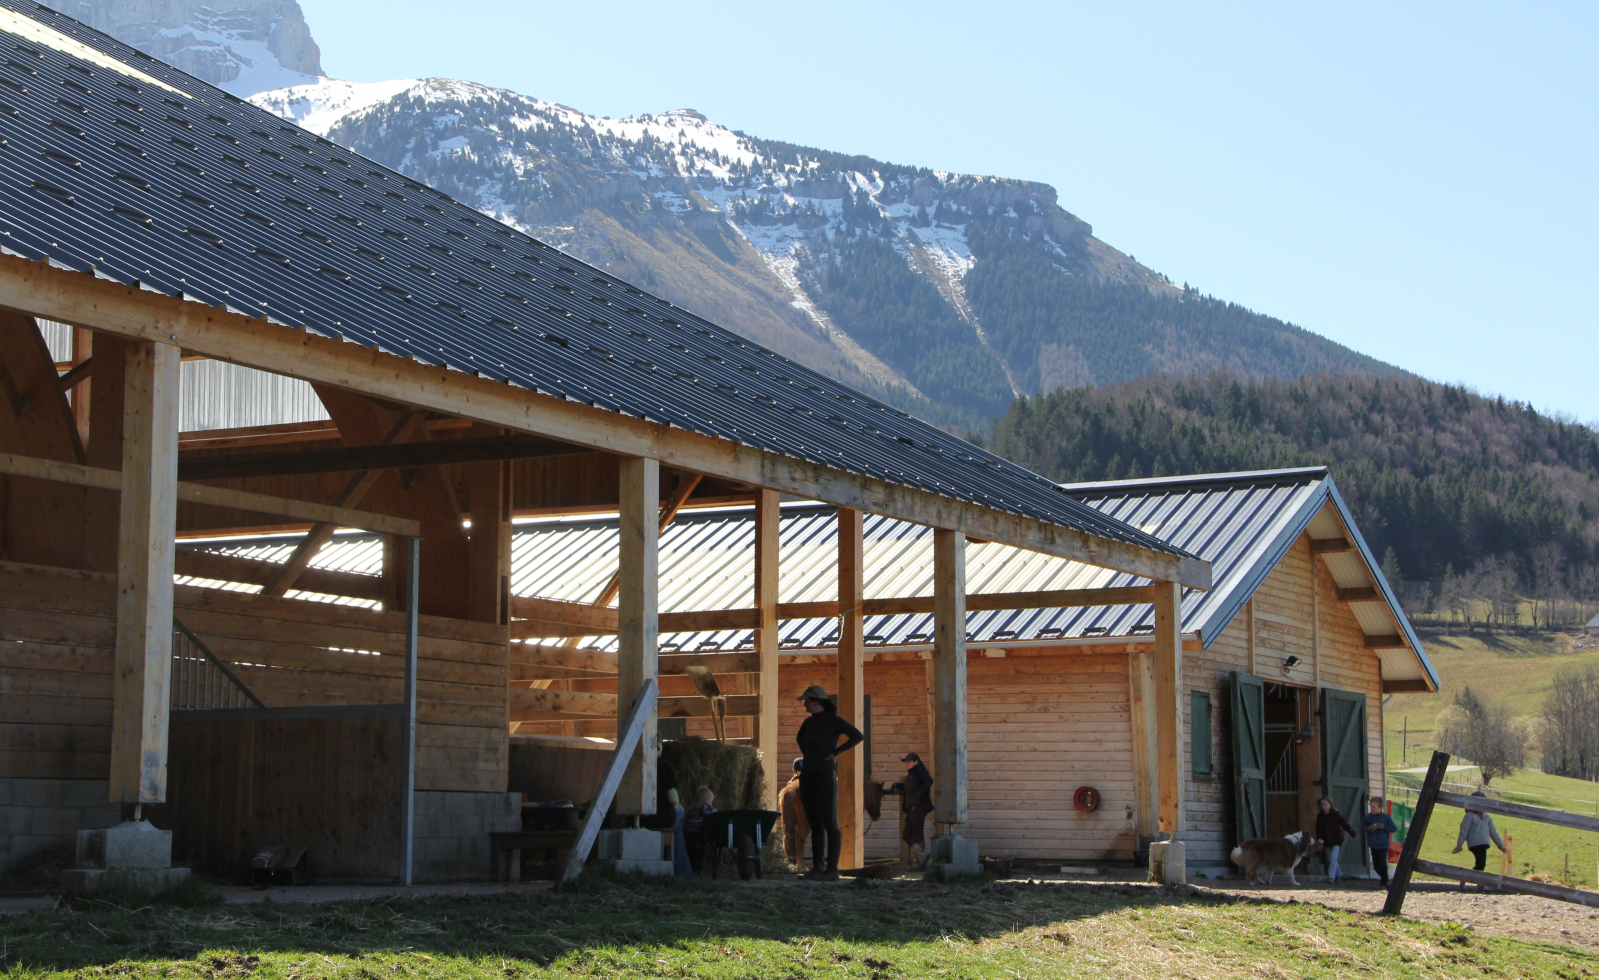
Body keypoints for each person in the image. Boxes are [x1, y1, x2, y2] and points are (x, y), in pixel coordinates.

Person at [794, 683, 864, 881]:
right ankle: (817, 867)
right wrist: (809, 757)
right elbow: (800, 739)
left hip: (825, 775)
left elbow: (857, 736)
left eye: (806, 700)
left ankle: (832, 869)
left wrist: (835, 752)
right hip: (807, 774)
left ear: (815, 701)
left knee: (829, 823)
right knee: (815, 823)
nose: (804, 704)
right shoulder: (808, 724)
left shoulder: (834, 721)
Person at [1452, 791, 1506, 887]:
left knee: (1481, 864)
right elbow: (1464, 831)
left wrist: (1500, 845)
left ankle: (1471, 879)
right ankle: (1476, 882)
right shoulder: (1469, 816)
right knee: (1481, 862)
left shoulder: (1487, 818)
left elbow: (1493, 832)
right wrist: (1459, 845)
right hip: (1474, 843)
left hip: (1484, 843)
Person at [895, 752, 934, 865]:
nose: (907, 764)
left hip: (918, 807)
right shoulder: (912, 774)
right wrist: (897, 785)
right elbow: (908, 787)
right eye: (906, 762)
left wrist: (920, 793)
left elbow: (929, 781)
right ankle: (922, 856)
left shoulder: (919, 771)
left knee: (917, 834)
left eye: (909, 761)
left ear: (916, 762)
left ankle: (921, 862)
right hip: (911, 807)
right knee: (906, 834)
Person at [1314, 796, 1357, 885]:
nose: (1324, 807)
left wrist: (1353, 834)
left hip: (1336, 841)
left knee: (1333, 858)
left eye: (1326, 804)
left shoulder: (1336, 815)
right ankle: (1340, 874)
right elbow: (1318, 829)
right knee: (1331, 860)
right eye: (1322, 805)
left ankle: (1331, 877)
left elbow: (1345, 825)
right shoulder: (1320, 817)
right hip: (1326, 842)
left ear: (1330, 805)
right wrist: (1319, 838)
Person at [778, 757, 808, 866]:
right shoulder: (794, 782)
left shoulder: (791, 782)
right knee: (801, 830)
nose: (800, 773)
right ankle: (798, 861)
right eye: (799, 771)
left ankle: (793, 859)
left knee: (791, 831)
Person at [1364, 796, 1398, 887]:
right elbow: (1362, 826)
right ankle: (1385, 878)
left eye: (1374, 807)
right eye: (1371, 807)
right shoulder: (1368, 817)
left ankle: (1384, 881)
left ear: (1381, 807)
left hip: (1383, 844)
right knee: (1376, 866)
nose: (1372, 809)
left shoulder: (1386, 817)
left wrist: (1384, 827)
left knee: (1381, 862)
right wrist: (1369, 828)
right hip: (1373, 844)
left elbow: (1394, 828)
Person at [683, 787, 717, 873]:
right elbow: (717, 818)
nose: (711, 804)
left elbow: (684, 820)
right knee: (699, 852)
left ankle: (688, 870)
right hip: (700, 834)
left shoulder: (689, 809)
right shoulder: (709, 808)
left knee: (689, 851)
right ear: (707, 799)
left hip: (688, 834)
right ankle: (697, 871)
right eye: (711, 801)